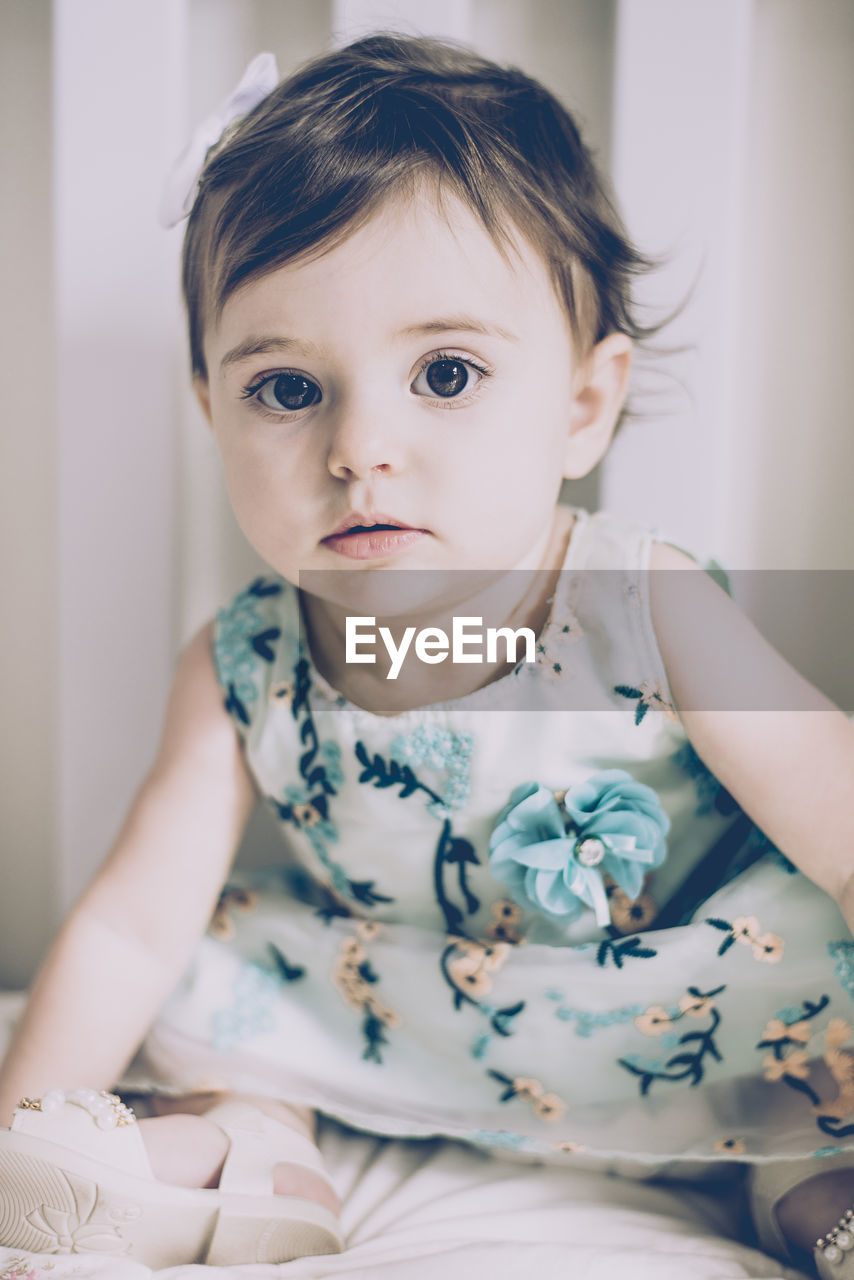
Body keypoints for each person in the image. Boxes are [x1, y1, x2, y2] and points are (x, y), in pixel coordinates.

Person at [1, 32, 853, 1276]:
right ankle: (263, 1153)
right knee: (205, 975)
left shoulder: (639, 601)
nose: (359, 446)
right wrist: (19, 1117)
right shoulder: (243, 660)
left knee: (806, 1095)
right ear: (211, 410)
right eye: (287, 389)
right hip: (420, 1007)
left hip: (693, 999)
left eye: (443, 372)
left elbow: (837, 814)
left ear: (582, 404)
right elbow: (134, 924)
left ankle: (811, 1199)